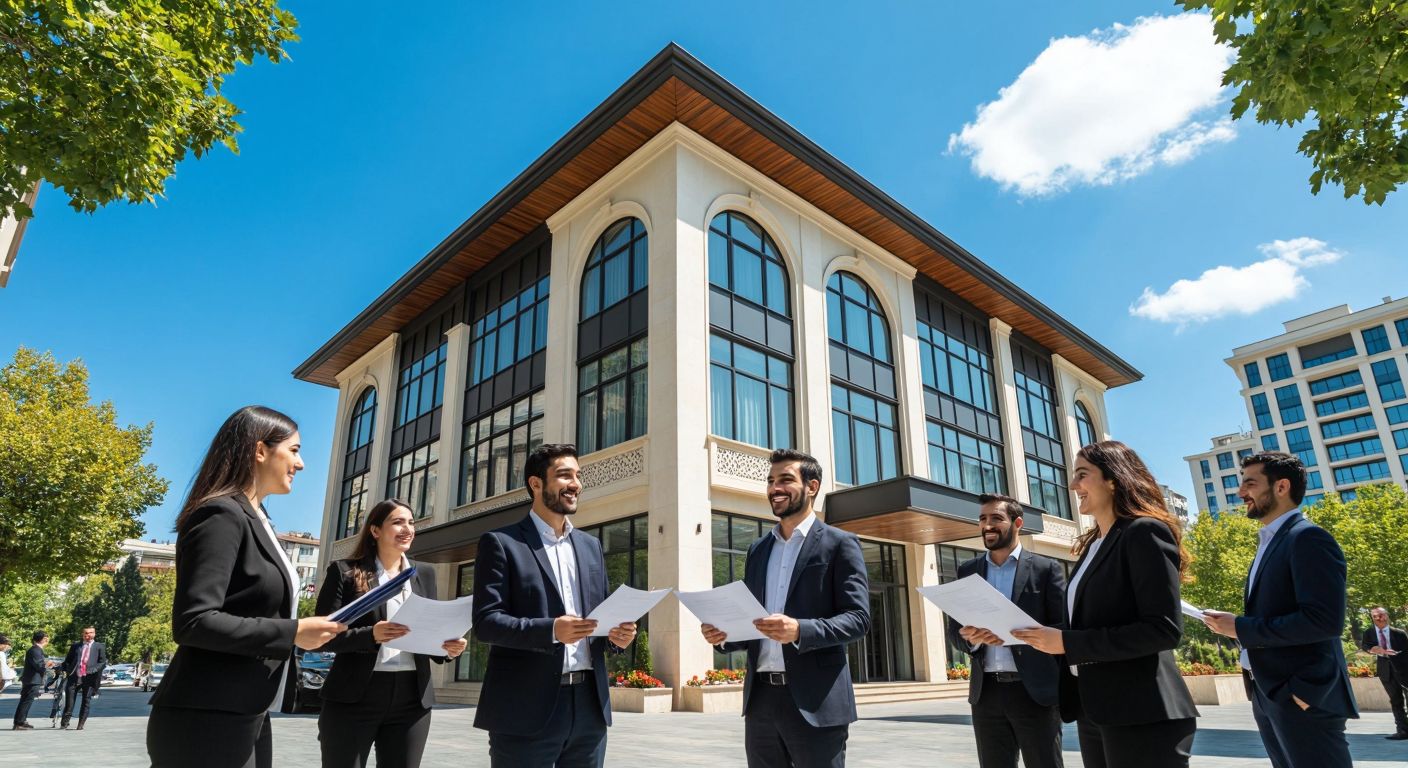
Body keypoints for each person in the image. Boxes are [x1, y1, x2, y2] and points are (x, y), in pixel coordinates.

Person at [146, 406, 346, 768]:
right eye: (295, 451)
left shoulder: (261, 519)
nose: (300, 465)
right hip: (206, 716)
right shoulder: (221, 514)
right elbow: (194, 621)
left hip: (246, 710)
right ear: (259, 451)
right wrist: (294, 632)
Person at [1013, 440, 1198, 768]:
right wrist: (1025, 633)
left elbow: (1163, 629)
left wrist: (1067, 643)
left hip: (1142, 713)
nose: (1073, 486)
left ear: (1113, 479)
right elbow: (1090, 625)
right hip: (1095, 709)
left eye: (1082, 475)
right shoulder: (1094, 546)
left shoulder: (1144, 532)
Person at [700, 448, 871, 768]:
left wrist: (800, 630)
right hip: (761, 704)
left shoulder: (840, 544)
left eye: (785, 480)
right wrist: (724, 635)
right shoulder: (758, 549)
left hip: (816, 704)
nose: (774, 488)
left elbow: (858, 619)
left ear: (812, 487)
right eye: (770, 481)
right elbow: (752, 622)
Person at [472, 443, 638, 768]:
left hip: (589, 707)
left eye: (577, 475)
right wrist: (551, 630)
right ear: (536, 483)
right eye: (564, 475)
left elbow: (596, 622)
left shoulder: (591, 547)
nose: (575, 483)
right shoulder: (501, 543)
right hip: (525, 708)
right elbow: (486, 622)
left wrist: (616, 638)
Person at [1203, 451, 1357, 768]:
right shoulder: (1271, 541)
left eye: (1249, 483)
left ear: (1281, 487)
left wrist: (1241, 628)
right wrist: (1234, 627)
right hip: (1270, 693)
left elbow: (1324, 621)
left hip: (1301, 696)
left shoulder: (1308, 538)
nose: (1240, 492)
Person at [315, 497, 469, 768]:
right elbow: (321, 637)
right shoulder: (345, 572)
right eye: (398, 522)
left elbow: (427, 630)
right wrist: (371, 634)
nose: (407, 529)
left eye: (411, 522)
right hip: (354, 696)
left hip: (412, 698)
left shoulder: (424, 573)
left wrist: (447, 648)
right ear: (375, 531)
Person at [948, 494, 1067, 768]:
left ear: (1018, 523)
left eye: (996, 519)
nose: (987, 525)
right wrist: (971, 639)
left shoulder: (1046, 569)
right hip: (986, 694)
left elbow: (1063, 628)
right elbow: (954, 631)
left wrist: (1037, 635)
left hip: (1034, 692)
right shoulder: (968, 571)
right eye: (982, 519)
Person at [1361, 606, 1408, 740]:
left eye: (1381, 615)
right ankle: (1402, 731)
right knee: (1395, 700)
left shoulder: (1399, 633)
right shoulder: (1369, 632)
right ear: (1372, 618)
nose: (1378, 618)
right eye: (1375, 616)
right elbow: (1365, 646)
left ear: (1386, 616)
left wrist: (1397, 655)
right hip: (1385, 671)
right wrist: (1372, 649)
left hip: (1403, 669)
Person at [59, 626, 107, 729]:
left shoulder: (99, 646)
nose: (88, 635)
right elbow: (68, 661)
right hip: (74, 677)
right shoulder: (76, 646)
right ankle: (64, 723)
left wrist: (93, 670)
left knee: (86, 701)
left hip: (89, 678)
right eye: (86, 633)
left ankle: (81, 724)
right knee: (69, 702)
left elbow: (102, 662)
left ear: (94, 634)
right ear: (83, 634)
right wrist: (61, 668)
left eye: (90, 633)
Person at [12, 631, 49, 730]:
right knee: (26, 701)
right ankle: (19, 723)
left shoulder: (36, 650)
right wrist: (48, 665)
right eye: (46, 638)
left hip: (32, 680)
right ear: (43, 639)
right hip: (32, 680)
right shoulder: (35, 650)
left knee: (26, 701)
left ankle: (21, 721)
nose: (47, 640)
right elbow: (39, 666)